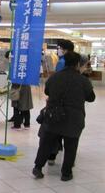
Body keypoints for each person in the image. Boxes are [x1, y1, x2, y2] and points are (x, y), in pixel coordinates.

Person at [33, 52, 95, 181]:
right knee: (71, 146)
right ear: (78, 64)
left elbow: (47, 91)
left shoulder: (55, 77)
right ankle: (66, 173)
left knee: (46, 143)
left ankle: (38, 167)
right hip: (74, 118)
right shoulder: (83, 80)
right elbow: (91, 98)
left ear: (64, 62)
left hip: (54, 116)